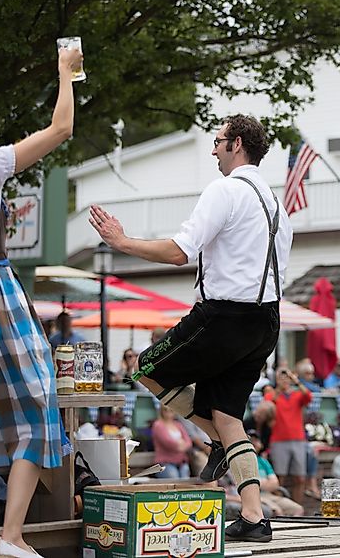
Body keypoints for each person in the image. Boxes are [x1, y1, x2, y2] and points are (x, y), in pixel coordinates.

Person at [89, 114, 293, 542]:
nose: (214, 149)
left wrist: (122, 242)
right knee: (229, 415)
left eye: (218, 141)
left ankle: (215, 440)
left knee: (146, 368)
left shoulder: (225, 189)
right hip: (266, 320)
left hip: (225, 315)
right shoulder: (275, 202)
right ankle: (254, 517)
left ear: (236, 144)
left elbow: (180, 251)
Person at [0, 46, 83, 558]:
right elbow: (61, 129)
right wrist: (65, 74)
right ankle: (10, 535)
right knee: (38, 398)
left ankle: (11, 536)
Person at [268, 367, 312, 505]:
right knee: (280, 477)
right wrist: (279, 388)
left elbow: (308, 396)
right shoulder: (272, 394)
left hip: (298, 439)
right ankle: (280, 505)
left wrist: (296, 381)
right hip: (279, 440)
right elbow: (270, 403)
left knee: (300, 477)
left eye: (286, 377)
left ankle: (297, 508)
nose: (284, 380)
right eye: (281, 377)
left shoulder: (296, 395)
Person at [247, 430, 304, 517]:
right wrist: (264, 483)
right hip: (252, 497)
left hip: (268, 495)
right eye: (251, 440)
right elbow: (247, 485)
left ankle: (292, 530)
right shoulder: (242, 460)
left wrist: (257, 483)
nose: (253, 443)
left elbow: (275, 484)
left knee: (298, 509)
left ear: (261, 444)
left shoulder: (263, 461)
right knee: (277, 511)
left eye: (256, 440)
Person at [151, 406, 192, 478]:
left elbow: (188, 442)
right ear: (161, 411)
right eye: (166, 410)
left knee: (185, 480)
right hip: (165, 463)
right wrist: (180, 444)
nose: (168, 412)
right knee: (174, 478)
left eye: (171, 410)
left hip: (181, 462)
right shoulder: (158, 425)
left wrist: (182, 445)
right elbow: (168, 442)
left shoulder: (178, 424)